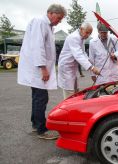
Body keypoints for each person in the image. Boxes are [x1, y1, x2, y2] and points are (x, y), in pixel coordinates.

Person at [17, 4, 66, 140]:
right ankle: (41, 129)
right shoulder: (40, 22)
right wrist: (43, 67)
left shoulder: (47, 25)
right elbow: (38, 46)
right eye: (59, 18)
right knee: (41, 98)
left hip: (37, 68)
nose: (59, 21)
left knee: (37, 97)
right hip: (38, 69)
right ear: (51, 13)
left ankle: (35, 124)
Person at [58, 23, 100, 99]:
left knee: (76, 89)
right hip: (66, 67)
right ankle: (67, 108)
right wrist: (92, 68)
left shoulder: (81, 38)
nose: (88, 35)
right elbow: (78, 55)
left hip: (72, 67)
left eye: (89, 33)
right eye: (87, 32)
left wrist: (89, 61)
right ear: (81, 29)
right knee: (69, 92)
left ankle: (73, 107)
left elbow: (83, 53)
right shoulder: (74, 37)